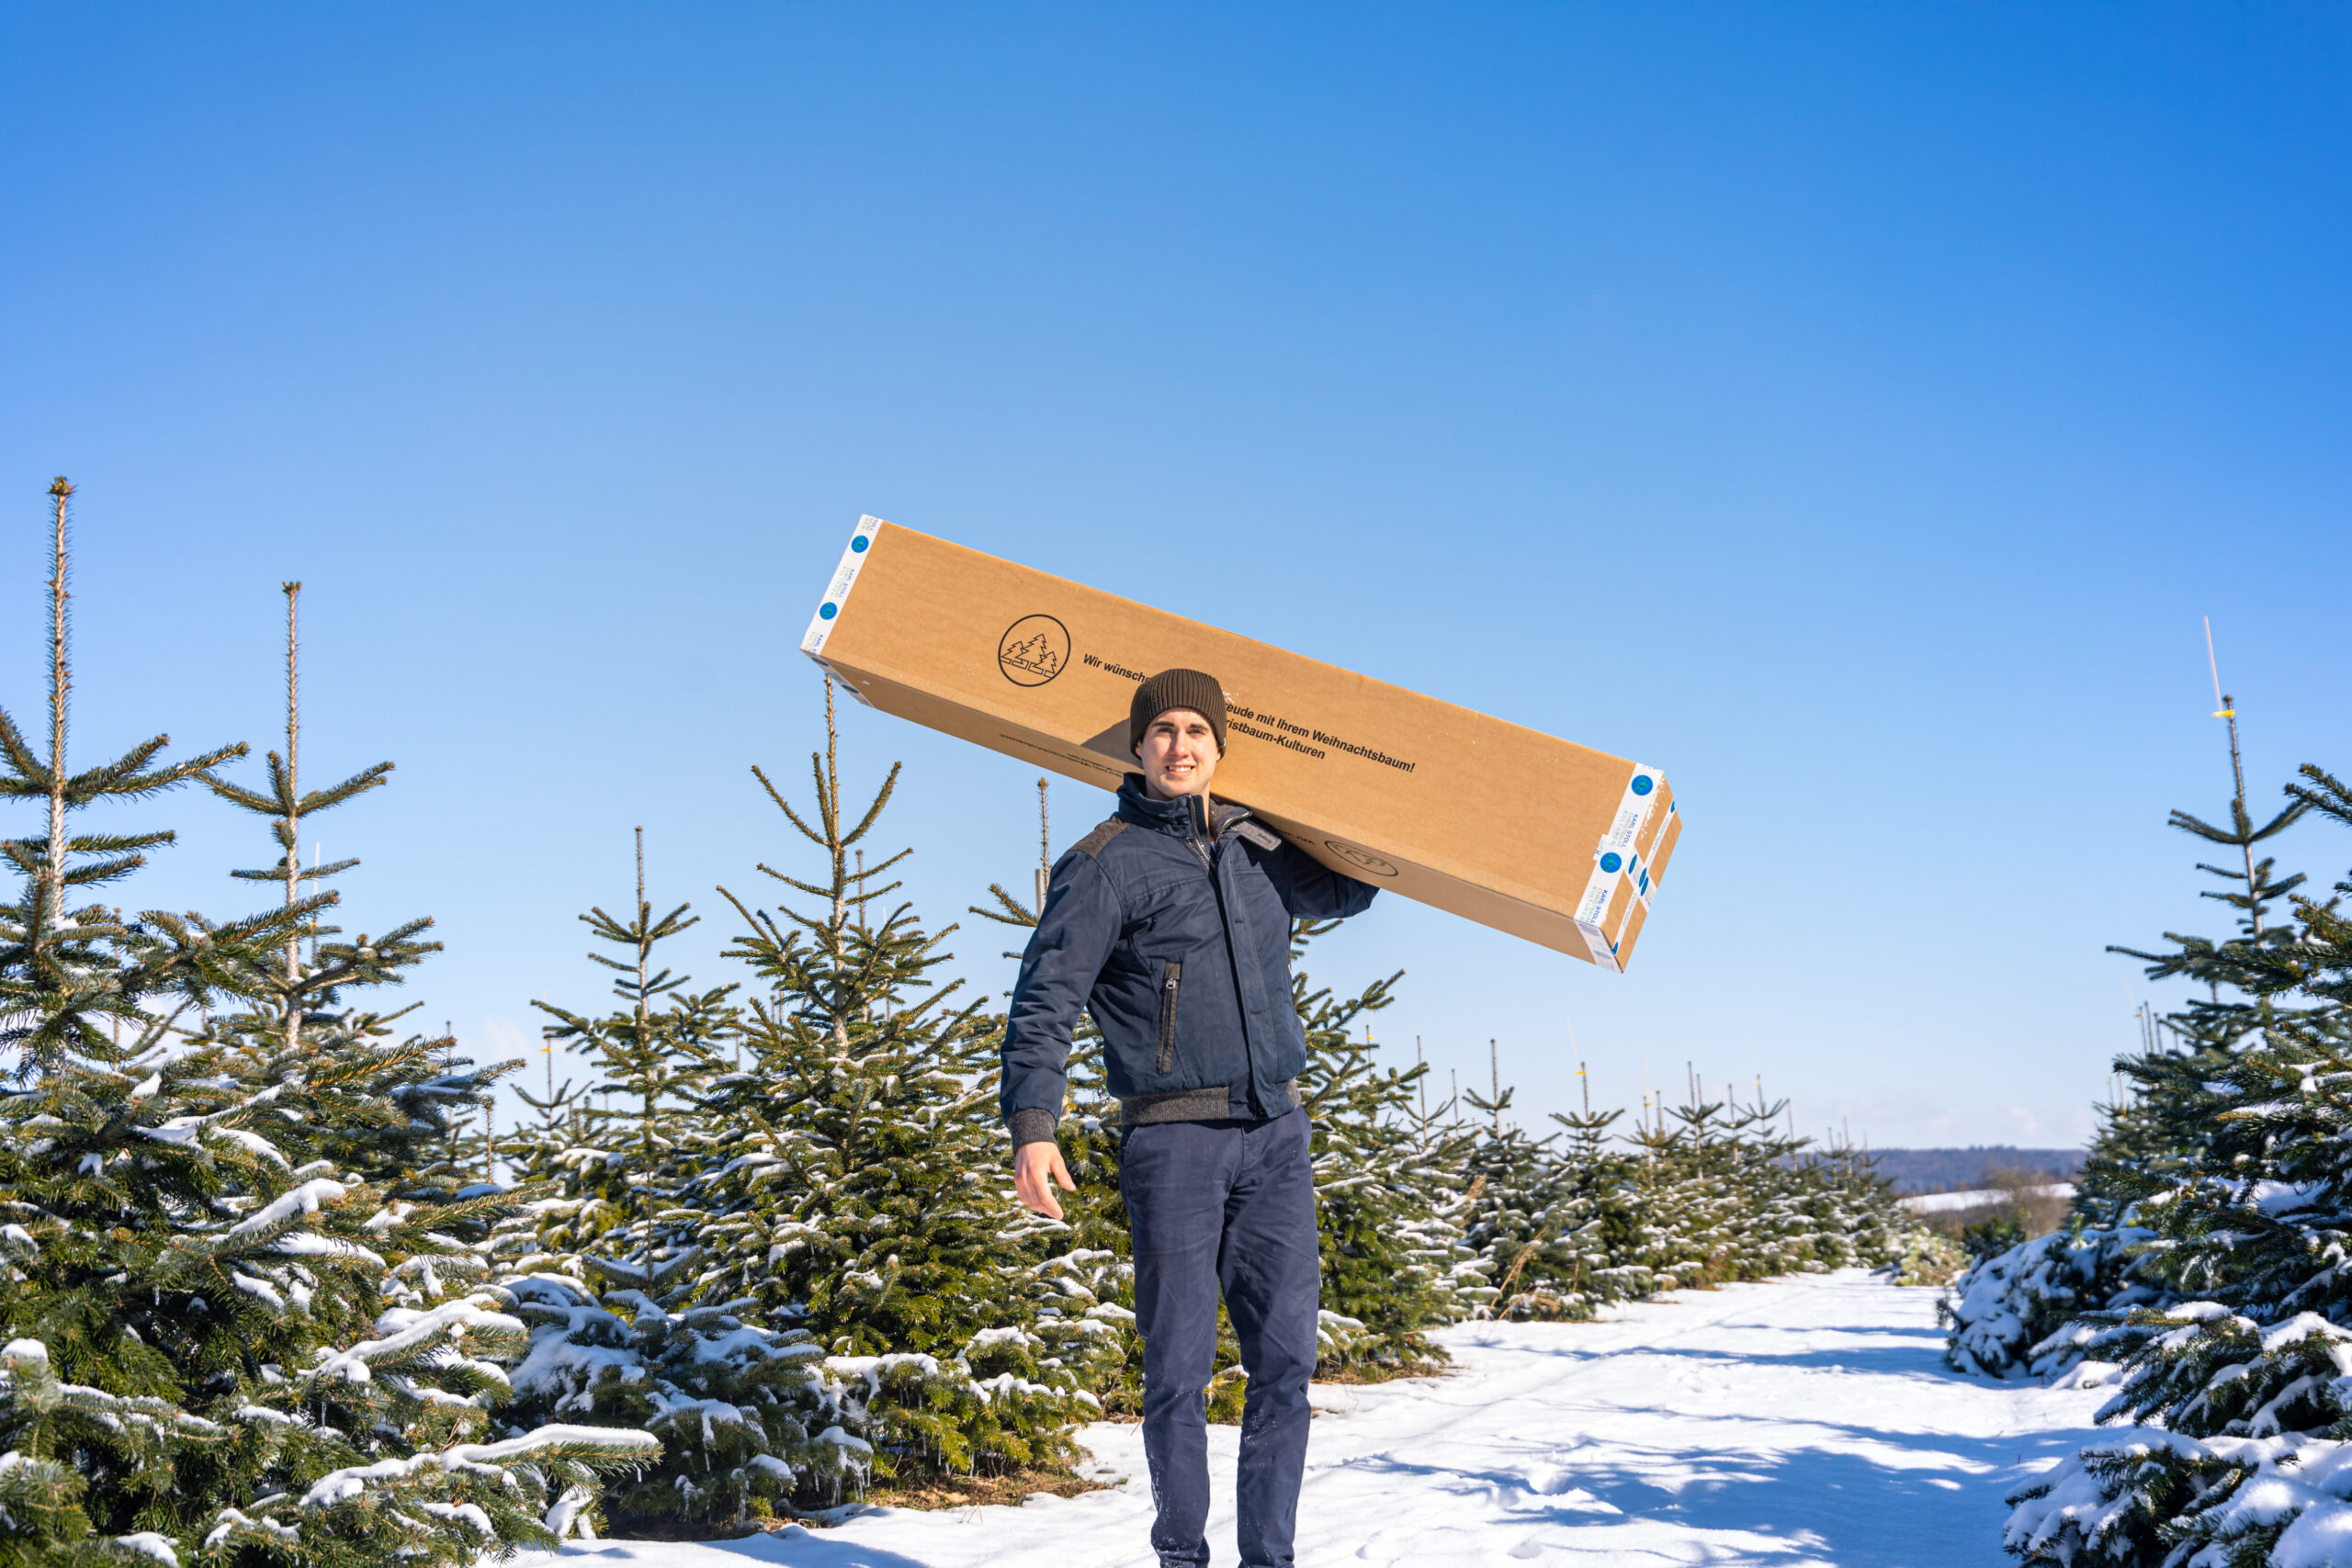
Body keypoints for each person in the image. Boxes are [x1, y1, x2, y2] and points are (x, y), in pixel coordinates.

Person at [1000, 667, 1379, 1568]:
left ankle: (1268, 1560)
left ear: (1218, 747)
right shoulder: (1105, 864)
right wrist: (1032, 1125)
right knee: (1176, 1376)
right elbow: (1044, 999)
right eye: (1162, 730)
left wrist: (1359, 807)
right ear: (1139, 746)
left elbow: (1348, 891)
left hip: (1277, 1137)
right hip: (1174, 1144)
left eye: (1195, 732)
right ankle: (1182, 1557)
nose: (1179, 746)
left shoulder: (1256, 846)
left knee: (1285, 1368)